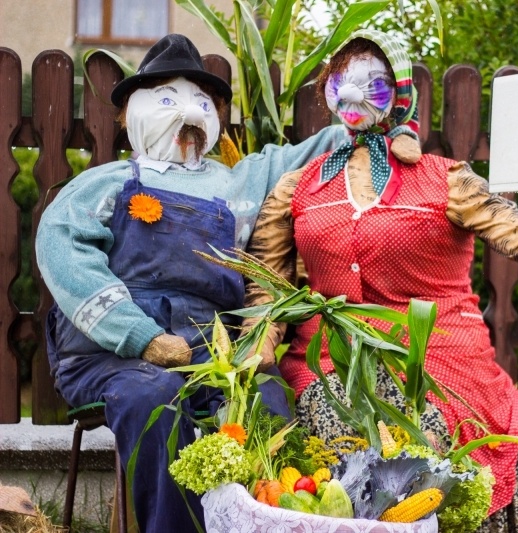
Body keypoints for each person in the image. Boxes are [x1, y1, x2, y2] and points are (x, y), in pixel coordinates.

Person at [242, 30, 518, 532]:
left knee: (471, 432)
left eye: (372, 81)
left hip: (440, 357)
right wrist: (262, 344)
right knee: (351, 425)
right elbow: (267, 281)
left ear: (399, 89)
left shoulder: (446, 178)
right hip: (332, 361)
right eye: (343, 80)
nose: (353, 92)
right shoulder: (301, 185)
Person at [35, 34, 420, 532]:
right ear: (131, 111)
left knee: (268, 401)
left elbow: (332, 142)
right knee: (155, 399)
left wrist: (388, 127)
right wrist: (140, 336)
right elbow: (63, 250)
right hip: (112, 356)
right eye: (168, 100)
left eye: (201, 101)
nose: (189, 113)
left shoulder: (240, 182)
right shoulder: (106, 183)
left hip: (212, 352)